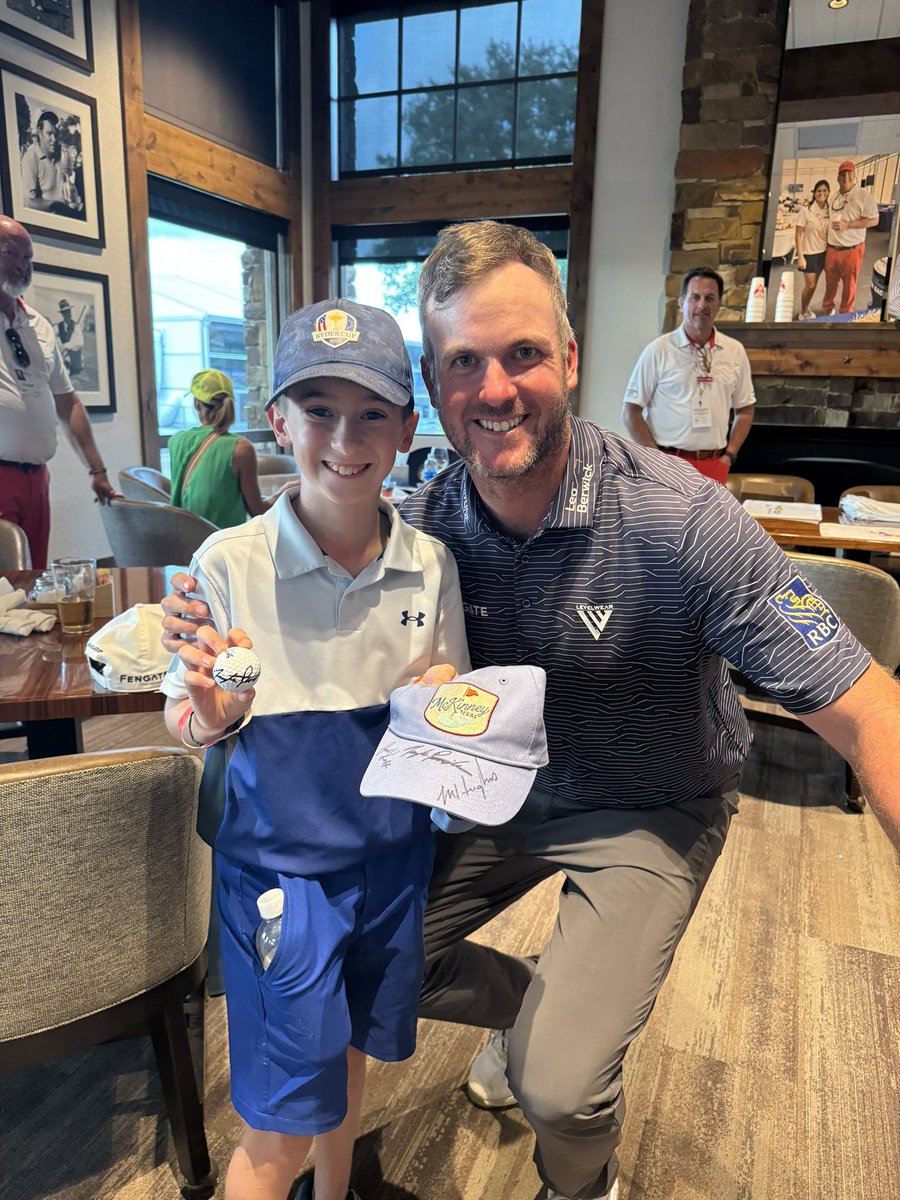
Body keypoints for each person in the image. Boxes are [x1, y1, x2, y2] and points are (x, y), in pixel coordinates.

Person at [162, 222, 900, 1200]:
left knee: (561, 1091)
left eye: (524, 354)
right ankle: (538, 1015)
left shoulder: (685, 519)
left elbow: (866, 706)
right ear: (430, 383)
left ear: (573, 359)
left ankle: (578, 1180)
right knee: (355, 961)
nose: (496, 389)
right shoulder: (415, 527)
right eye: (465, 361)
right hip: (489, 791)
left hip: (649, 797)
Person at [161, 298, 470, 1200]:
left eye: (372, 411)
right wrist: (218, 712)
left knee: (352, 1053)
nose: (347, 437)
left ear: (407, 428)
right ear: (278, 422)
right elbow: (185, 721)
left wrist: (444, 696)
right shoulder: (228, 563)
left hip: (392, 862)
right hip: (282, 879)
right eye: (320, 410)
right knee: (279, 1124)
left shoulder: (430, 563)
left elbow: (448, 692)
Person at [0, 214, 117, 568]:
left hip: (36, 479)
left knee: (30, 580)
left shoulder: (39, 325)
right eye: (11, 254)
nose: (22, 266)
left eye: (28, 257)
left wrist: (97, 471)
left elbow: (69, 405)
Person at [622, 267, 755, 484]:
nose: (702, 305)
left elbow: (746, 410)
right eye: (695, 297)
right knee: (663, 519)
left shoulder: (735, 351)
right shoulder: (658, 350)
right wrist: (655, 458)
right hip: (667, 463)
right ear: (681, 303)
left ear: (719, 305)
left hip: (714, 465)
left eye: (710, 298)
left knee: (710, 520)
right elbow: (630, 411)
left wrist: (729, 455)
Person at [168, 368, 278, 528]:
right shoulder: (241, 449)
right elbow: (258, 512)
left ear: (197, 405)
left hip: (184, 543)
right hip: (224, 547)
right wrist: (281, 495)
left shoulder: (175, 442)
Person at [821, 161, 879, 316]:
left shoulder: (864, 196)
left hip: (852, 250)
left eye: (849, 174)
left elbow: (874, 220)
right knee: (830, 283)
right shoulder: (833, 196)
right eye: (842, 174)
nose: (846, 177)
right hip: (832, 249)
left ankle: (846, 313)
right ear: (838, 177)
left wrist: (848, 225)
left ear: (854, 176)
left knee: (849, 285)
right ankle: (827, 309)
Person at [20, 111, 83, 215]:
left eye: (55, 134)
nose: (54, 139)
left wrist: (77, 199)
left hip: (71, 214)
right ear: (39, 132)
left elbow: (70, 183)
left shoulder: (63, 153)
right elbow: (28, 202)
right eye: (49, 134)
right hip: (50, 218)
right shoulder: (30, 158)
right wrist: (55, 205)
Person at [794, 179, 830, 319]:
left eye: (825, 190)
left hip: (823, 253)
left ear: (828, 192)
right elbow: (798, 235)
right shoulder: (806, 210)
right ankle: (802, 312)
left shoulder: (829, 210)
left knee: (814, 286)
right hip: (809, 254)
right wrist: (800, 256)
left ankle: (807, 307)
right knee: (810, 285)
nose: (822, 193)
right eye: (819, 190)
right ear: (814, 193)